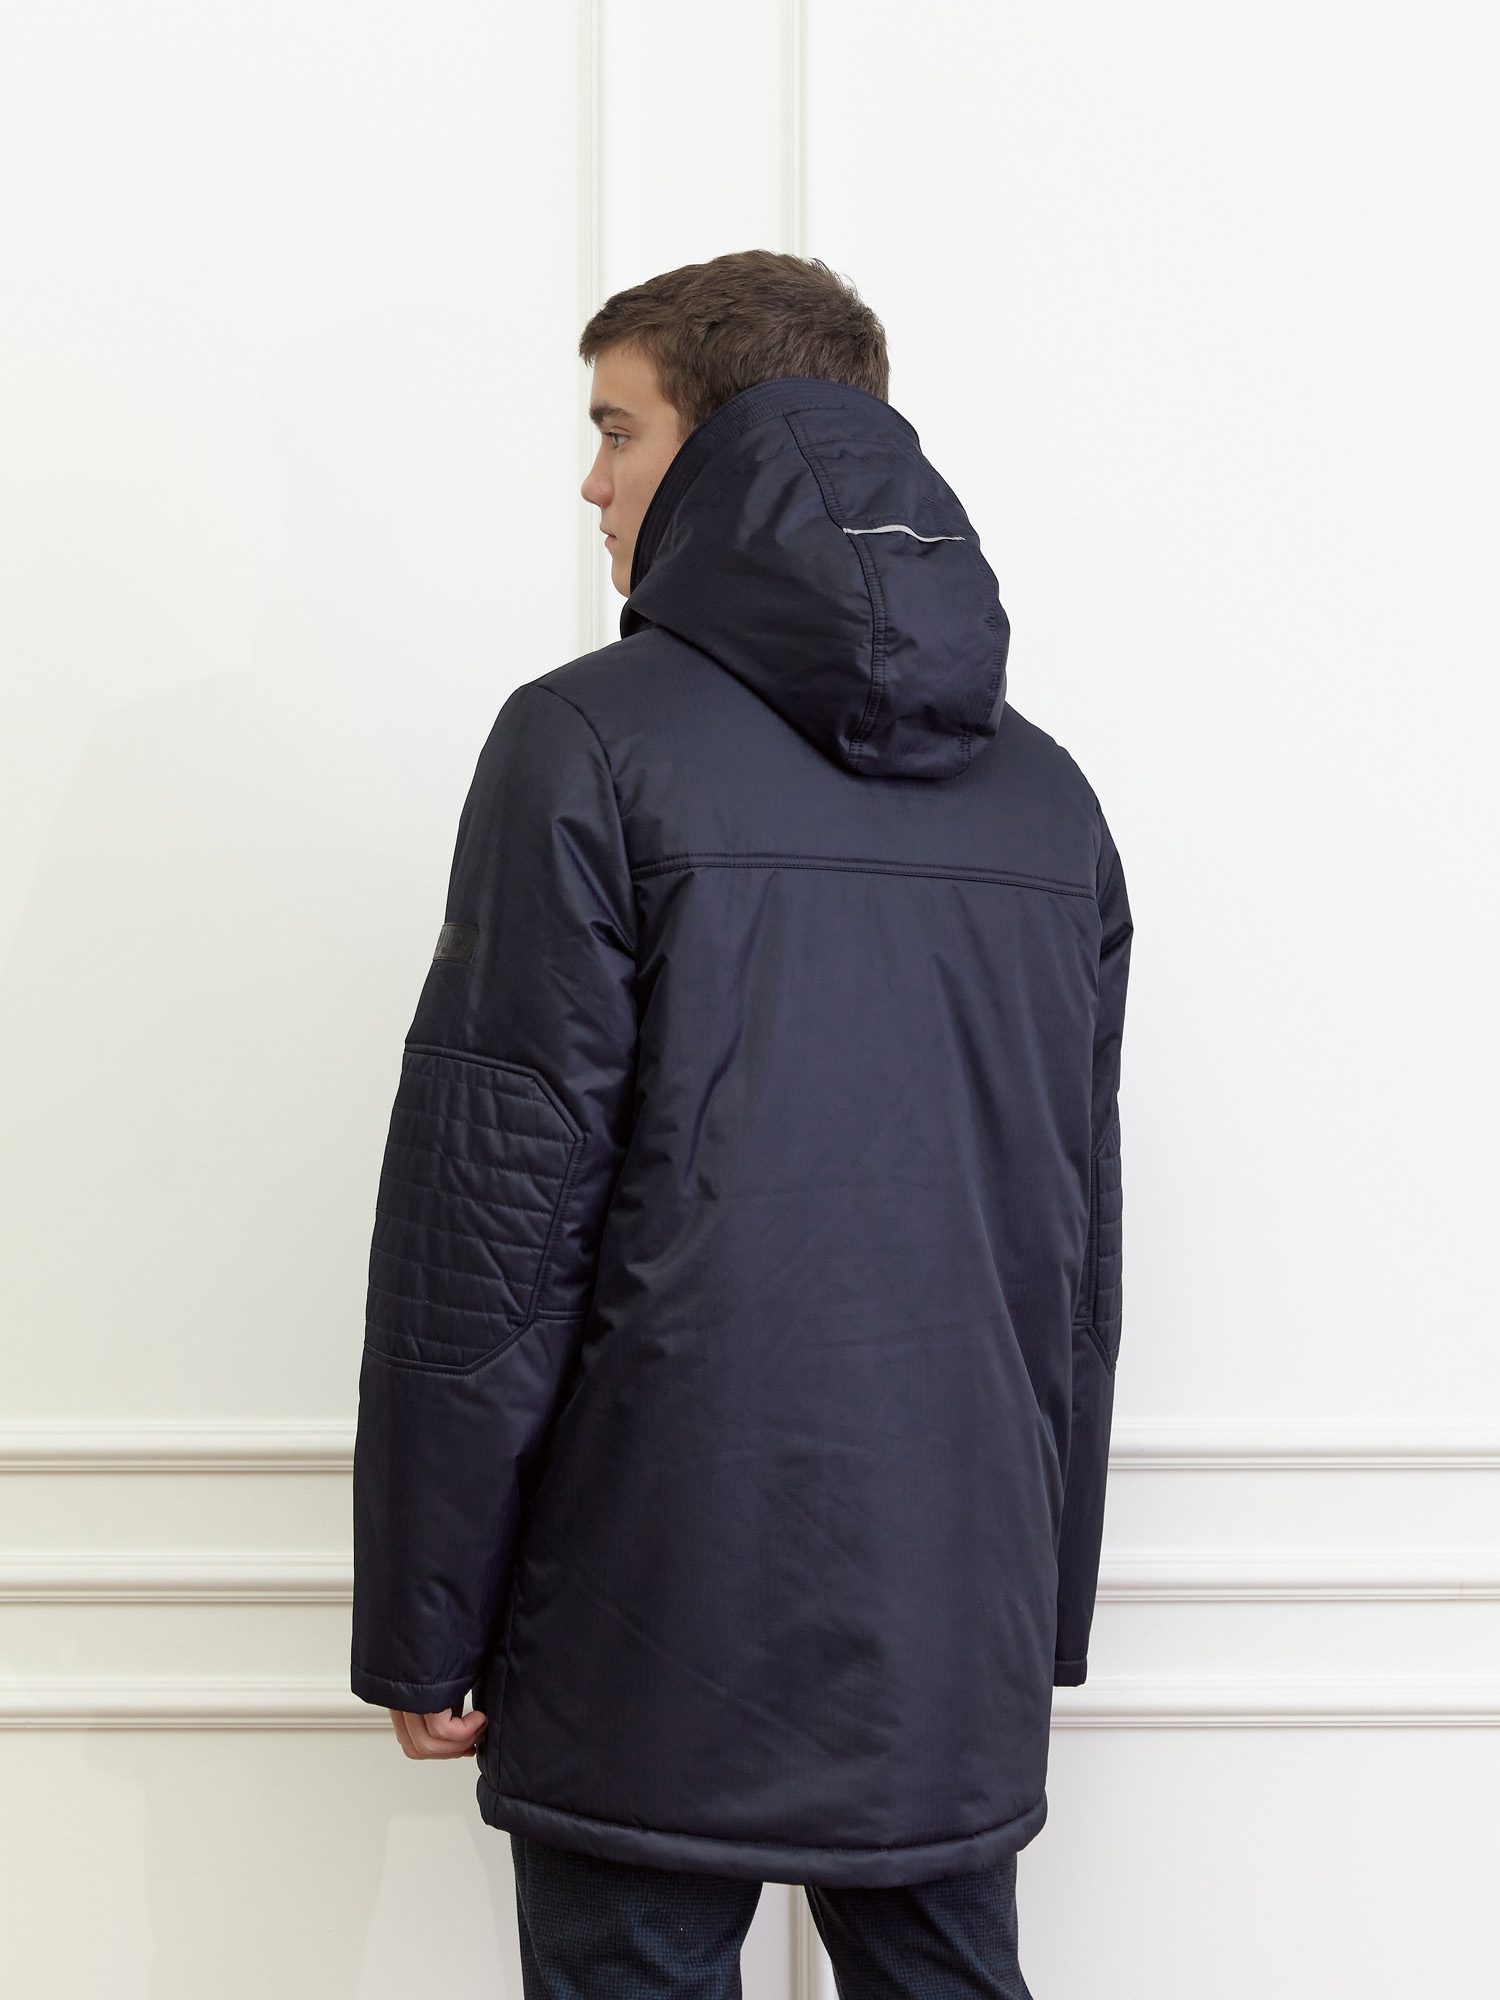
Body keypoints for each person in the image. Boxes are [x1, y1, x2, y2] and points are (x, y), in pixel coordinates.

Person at [351, 250, 1131, 2000]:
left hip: (647, 1599)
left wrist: (424, 1612)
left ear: (721, 444)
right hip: (952, 1607)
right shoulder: (1048, 798)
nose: (591, 481)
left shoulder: (581, 743)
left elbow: (490, 1230)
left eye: (618, 430)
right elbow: (1074, 1263)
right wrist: (1036, 1610)